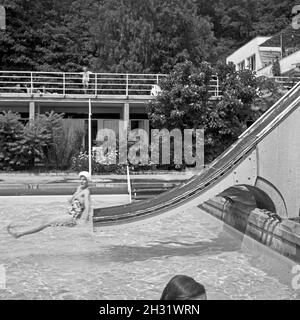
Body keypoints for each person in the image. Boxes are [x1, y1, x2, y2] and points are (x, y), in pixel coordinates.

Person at [7, 171, 92, 238]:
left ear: (88, 180)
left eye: (84, 179)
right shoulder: (79, 189)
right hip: (69, 215)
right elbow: (72, 201)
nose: (82, 181)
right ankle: (20, 229)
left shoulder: (86, 192)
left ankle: (19, 234)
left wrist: (84, 221)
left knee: (46, 223)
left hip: (74, 218)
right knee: (45, 220)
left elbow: (87, 208)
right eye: (81, 179)